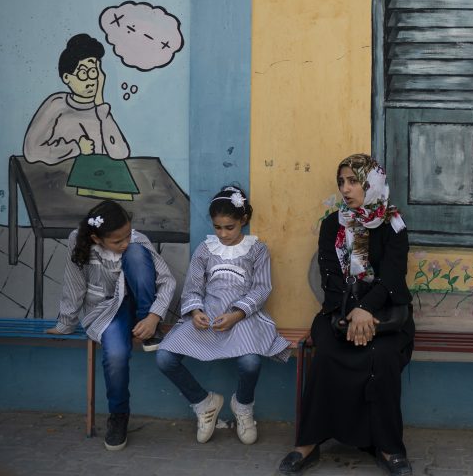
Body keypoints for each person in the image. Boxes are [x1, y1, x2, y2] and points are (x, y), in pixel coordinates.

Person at [278, 154, 414, 476]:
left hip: (386, 313)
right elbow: (331, 278)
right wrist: (353, 311)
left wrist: (367, 311)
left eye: (353, 181)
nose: (346, 188)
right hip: (340, 311)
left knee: (381, 357)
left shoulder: (393, 225)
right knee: (325, 355)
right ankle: (308, 445)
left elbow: (393, 276)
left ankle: (388, 448)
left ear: (372, 183)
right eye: (342, 182)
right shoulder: (333, 225)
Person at [156, 186, 290, 445]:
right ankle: (204, 403)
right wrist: (195, 312)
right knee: (164, 358)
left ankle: (243, 405)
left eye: (229, 227)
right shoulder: (205, 250)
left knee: (250, 363)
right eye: (218, 227)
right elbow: (193, 287)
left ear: (243, 221)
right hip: (208, 319)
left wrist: (237, 314)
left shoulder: (257, 250)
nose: (223, 234)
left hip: (243, 319)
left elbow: (262, 288)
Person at [46, 200, 176, 451]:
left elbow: (167, 281)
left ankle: (149, 331)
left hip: (140, 306)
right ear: (96, 237)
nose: (125, 242)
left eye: (127, 234)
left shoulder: (136, 242)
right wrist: (65, 323)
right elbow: (74, 284)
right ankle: (119, 416)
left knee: (137, 253)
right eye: (117, 241)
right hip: (106, 311)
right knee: (115, 355)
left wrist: (153, 317)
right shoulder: (78, 240)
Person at [24, 33, 130, 165]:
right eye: (83, 73)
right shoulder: (57, 104)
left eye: (93, 72)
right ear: (67, 77)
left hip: (97, 180)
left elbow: (120, 153)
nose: (90, 81)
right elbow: (31, 151)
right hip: (60, 179)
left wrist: (100, 105)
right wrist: (76, 148)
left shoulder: (101, 111)